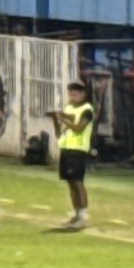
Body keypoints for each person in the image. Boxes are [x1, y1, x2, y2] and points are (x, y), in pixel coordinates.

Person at [54, 89, 97, 230]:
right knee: (70, 182)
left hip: (78, 150)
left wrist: (64, 119)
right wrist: (56, 119)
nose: (72, 97)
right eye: (71, 94)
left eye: (75, 94)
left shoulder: (87, 110)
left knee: (78, 182)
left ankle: (83, 216)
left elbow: (79, 128)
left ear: (83, 94)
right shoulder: (69, 108)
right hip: (66, 148)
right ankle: (76, 213)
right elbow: (59, 130)